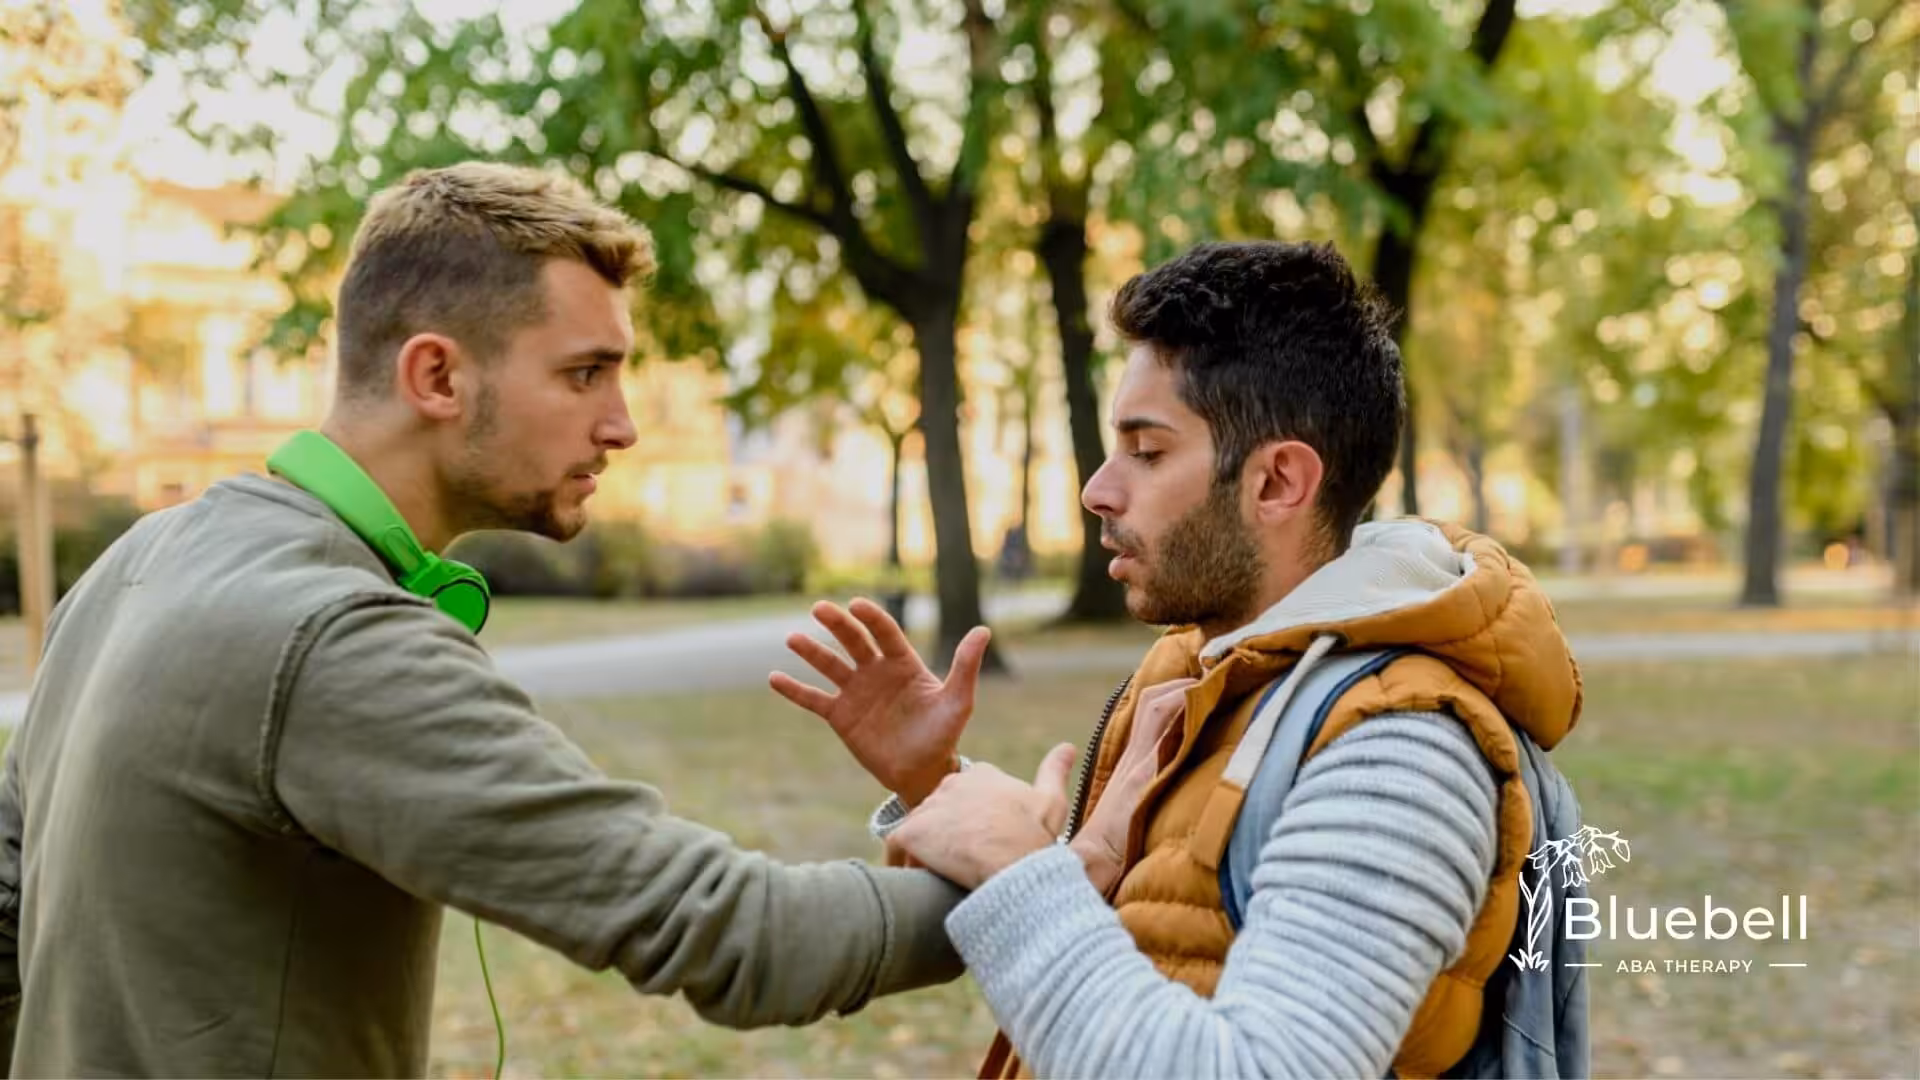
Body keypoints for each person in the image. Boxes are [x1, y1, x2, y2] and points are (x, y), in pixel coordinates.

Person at [0, 162, 970, 1077]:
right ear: (436, 377)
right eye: (585, 373)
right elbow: (728, 932)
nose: (623, 423)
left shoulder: (143, 556)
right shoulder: (334, 637)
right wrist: (1028, 890)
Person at [775, 241, 1586, 1078]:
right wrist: (936, 782)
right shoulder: (1194, 672)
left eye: (1147, 451)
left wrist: (1019, 869)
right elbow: (1143, 945)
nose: (1097, 489)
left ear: (1277, 483)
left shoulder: (1399, 751)